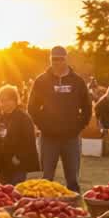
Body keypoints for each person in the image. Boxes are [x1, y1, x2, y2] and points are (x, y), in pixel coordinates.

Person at [28, 46, 91, 194]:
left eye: (60, 59)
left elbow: (87, 107)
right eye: (53, 59)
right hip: (49, 138)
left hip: (71, 138)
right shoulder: (41, 81)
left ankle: (75, 210)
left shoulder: (77, 81)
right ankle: (45, 210)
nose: (56, 62)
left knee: (73, 180)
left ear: (66, 59)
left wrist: (78, 127)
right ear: (50, 59)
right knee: (46, 179)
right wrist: (44, 126)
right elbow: (32, 108)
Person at [0, 85, 39, 185]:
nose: (3, 104)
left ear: (15, 100)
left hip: (17, 163)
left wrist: (19, 157)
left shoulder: (23, 118)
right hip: (3, 163)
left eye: (6, 100)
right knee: (5, 190)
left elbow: (28, 141)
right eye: (1, 101)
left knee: (15, 189)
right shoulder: (0, 118)